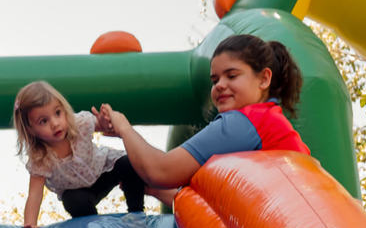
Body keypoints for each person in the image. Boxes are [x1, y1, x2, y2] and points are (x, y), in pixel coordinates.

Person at [93, 34, 309, 188]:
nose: (220, 85)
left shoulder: (243, 123)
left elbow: (161, 171)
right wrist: (147, 185)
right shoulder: (268, 119)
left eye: (232, 76)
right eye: (215, 80)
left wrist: (123, 127)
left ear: (264, 79)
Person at [13, 80, 173, 228]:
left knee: (128, 163)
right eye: (43, 121)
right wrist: (30, 224)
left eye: (57, 113)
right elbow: (35, 194)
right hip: (80, 192)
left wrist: (104, 121)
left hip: (104, 171)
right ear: (30, 129)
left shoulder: (79, 124)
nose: (55, 123)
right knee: (72, 201)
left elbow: (103, 126)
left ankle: (136, 214)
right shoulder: (40, 158)